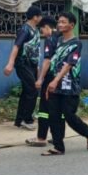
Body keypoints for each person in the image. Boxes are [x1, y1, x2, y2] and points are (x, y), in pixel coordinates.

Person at [43, 11, 88, 155]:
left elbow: (69, 64)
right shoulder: (57, 41)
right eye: (59, 22)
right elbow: (50, 60)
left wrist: (55, 80)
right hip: (55, 85)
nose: (60, 24)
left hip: (70, 85)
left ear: (71, 25)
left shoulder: (76, 43)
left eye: (63, 22)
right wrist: (46, 80)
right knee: (53, 115)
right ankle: (58, 147)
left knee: (69, 115)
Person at [3, 6, 42, 131]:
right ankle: (27, 119)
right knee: (32, 90)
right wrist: (10, 63)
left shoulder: (36, 31)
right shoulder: (25, 30)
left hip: (32, 65)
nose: (41, 18)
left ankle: (19, 120)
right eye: (40, 16)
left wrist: (37, 67)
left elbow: (36, 49)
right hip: (23, 64)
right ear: (35, 17)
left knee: (27, 91)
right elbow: (16, 46)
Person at [25, 16, 58, 148]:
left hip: (50, 78)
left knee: (44, 108)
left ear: (47, 27)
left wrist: (40, 78)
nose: (42, 33)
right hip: (60, 78)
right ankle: (57, 136)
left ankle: (41, 137)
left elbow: (47, 61)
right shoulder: (62, 38)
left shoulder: (50, 39)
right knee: (57, 108)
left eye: (42, 30)